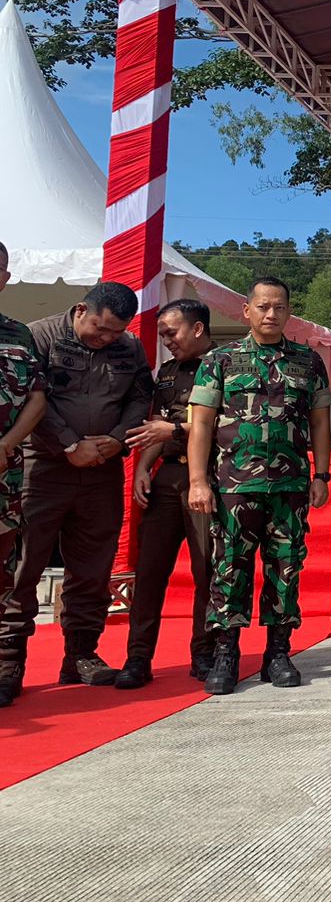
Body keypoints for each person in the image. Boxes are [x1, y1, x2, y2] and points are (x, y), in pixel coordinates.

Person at [0, 282, 153, 689]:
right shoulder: (40, 335)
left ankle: (81, 654)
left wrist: (118, 438)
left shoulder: (131, 347)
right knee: (22, 566)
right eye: (100, 329)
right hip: (43, 468)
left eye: (115, 332)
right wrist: (68, 443)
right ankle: (8, 662)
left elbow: (141, 397)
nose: (107, 339)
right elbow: (33, 400)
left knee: (92, 568)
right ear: (81, 310)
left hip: (102, 470)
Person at [188, 277, 331, 695]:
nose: (271, 314)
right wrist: (198, 481)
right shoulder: (221, 360)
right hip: (234, 484)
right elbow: (200, 423)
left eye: (280, 307)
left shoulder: (308, 361)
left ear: (289, 312)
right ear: (247, 311)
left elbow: (320, 421)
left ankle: (279, 651)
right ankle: (227, 652)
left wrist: (320, 474)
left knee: (286, 567)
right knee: (230, 568)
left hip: (289, 485)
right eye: (263, 307)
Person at [116, 299, 216, 688]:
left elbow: (227, 423)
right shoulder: (169, 370)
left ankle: (204, 653)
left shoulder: (228, 364)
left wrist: (173, 432)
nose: (167, 342)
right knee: (151, 570)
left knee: (207, 571)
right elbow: (158, 422)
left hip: (210, 478)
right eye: (162, 335)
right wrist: (144, 466)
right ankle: (137, 658)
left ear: (196, 328)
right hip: (167, 478)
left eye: (172, 334)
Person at [0, 242, 47, 708]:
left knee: (4, 577)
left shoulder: (19, 335)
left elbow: (36, 397)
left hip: (4, 476)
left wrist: (8, 444)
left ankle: (3, 669)